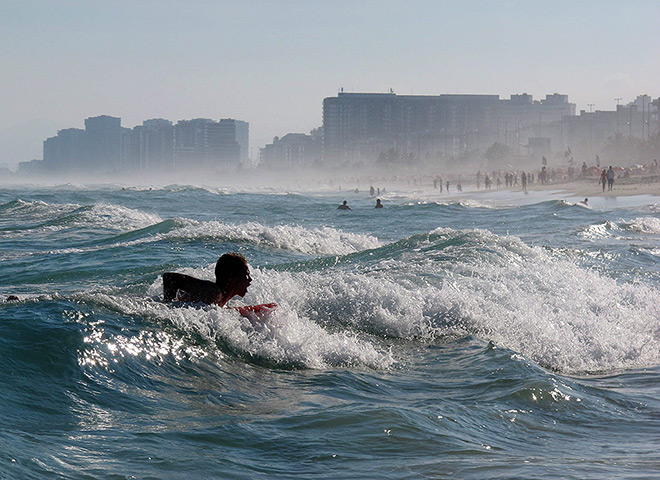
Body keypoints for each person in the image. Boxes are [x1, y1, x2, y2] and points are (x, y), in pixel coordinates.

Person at [163, 252, 251, 307]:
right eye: (246, 275)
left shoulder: (221, 299)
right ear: (232, 278)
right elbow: (170, 278)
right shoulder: (214, 292)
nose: (250, 280)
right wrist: (169, 306)